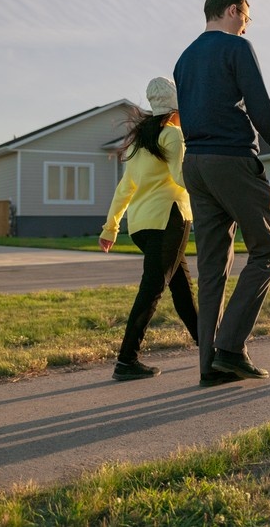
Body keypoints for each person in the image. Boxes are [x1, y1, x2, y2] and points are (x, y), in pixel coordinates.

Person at [173, 0, 270, 387]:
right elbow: (260, 107)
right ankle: (229, 349)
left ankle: (208, 366)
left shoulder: (184, 59)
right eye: (244, 20)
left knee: (212, 268)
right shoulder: (236, 49)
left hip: (194, 164)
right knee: (267, 250)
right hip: (231, 160)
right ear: (232, 10)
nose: (245, 29)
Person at [100, 77, 200, 381]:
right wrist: (213, 188)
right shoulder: (172, 135)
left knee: (181, 287)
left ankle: (210, 344)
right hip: (168, 220)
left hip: (141, 226)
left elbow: (124, 189)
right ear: (177, 108)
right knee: (152, 289)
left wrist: (111, 226)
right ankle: (126, 360)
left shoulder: (139, 143)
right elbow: (180, 177)